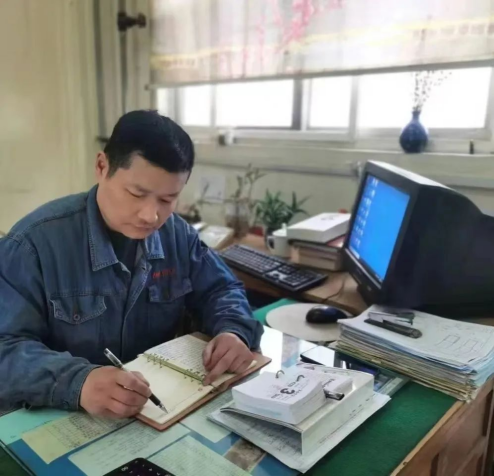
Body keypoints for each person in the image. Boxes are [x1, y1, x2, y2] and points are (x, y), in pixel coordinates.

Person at [0, 110, 263, 419]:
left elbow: (221, 289)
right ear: (102, 167)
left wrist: (233, 331)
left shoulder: (177, 235)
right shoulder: (32, 244)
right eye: (137, 194)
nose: (151, 216)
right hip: (62, 415)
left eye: (167, 200)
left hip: (152, 413)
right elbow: (5, 348)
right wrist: (79, 382)